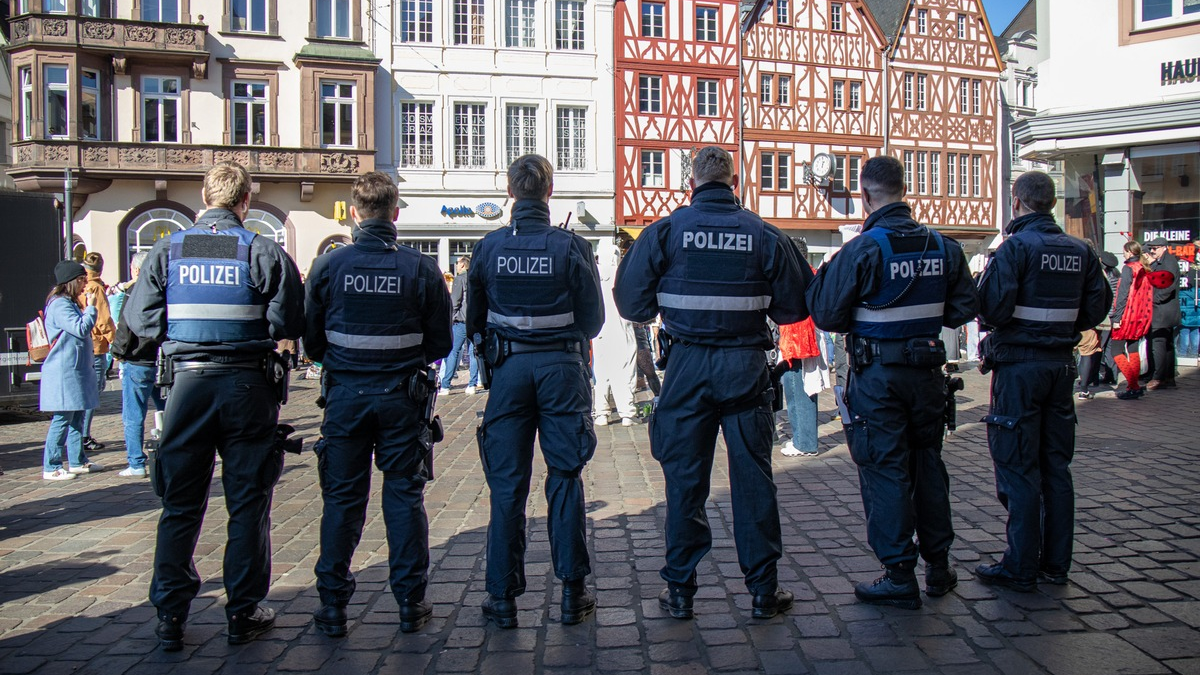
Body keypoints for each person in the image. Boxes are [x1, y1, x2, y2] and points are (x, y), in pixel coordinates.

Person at [614, 146, 811, 620]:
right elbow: (797, 306)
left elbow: (630, 303)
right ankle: (763, 591)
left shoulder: (665, 232)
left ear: (692, 184)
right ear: (734, 181)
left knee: (685, 481)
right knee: (752, 479)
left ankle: (680, 589)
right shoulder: (764, 235)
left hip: (686, 367)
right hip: (745, 368)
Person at [124, 162, 305, 650]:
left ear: (204, 197)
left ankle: (170, 614)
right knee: (248, 504)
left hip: (187, 387)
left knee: (180, 505)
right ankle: (243, 611)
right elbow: (290, 318)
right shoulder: (262, 250)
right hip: (247, 388)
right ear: (245, 201)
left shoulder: (168, 249)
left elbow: (137, 326)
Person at [806, 155, 978, 610]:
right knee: (928, 467)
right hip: (927, 374)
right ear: (905, 191)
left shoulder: (864, 249)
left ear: (865, 195)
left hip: (878, 379)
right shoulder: (945, 246)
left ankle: (899, 574)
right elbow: (963, 309)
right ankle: (939, 567)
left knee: (885, 470)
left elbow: (825, 313)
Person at [304, 172, 453, 636]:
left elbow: (312, 343)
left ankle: (332, 606)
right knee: (404, 497)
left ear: (354, 213)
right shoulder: (420, 267)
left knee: (343, 500)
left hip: (346, 397)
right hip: (402, 399)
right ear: (396, 213)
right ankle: (410, 602)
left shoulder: (328, 266)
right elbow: (441, 342)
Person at [467, 154, 604, 629]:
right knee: (565, 477)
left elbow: (473, 322)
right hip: (561, 370)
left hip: (508, 372)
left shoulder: (488, 247)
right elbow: (594, 321)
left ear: (511, 193)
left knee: (507, 487)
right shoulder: (570, 245)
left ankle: (502, 598)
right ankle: (572, 592)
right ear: (549, 193)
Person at [974, 171, 1111, 591]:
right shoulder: (1081, 250)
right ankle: (1056, 564)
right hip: (1060, 367)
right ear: (1050, 203)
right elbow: (1096, 308)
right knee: (1056, 466)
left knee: (1018, 466)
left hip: (1019, 366)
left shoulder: (1014, 249)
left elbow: (991, 309)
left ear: (1017, 202)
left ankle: (1020, 565)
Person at [40, 260, 103, 480]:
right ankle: (52, 465)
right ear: (71, 282)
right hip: (64, 371)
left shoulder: (70, 302)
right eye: (82, 280)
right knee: (62, 418)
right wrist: (92, 307)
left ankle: (77, 461)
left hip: (74, 370)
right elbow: (80, 328)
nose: (85, 284)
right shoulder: (60, 304)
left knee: (77, 416)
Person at [110, 252, 163, 477]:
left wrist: (119, 353)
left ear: (136, 271)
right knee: (168, 410)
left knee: (133, 415)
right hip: (161, 359)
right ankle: (172, 454)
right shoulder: (164, 290)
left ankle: (136, 462)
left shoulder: (135, 293)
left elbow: (125, 327)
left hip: (138, 360)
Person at [777, 238, 827, 458]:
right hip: (801, 339)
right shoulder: (811, 272)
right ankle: (802, 438)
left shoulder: (797, 276)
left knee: (799, 390)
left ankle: (804, 442)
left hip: (799, 342)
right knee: (798, 389)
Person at [592, 239, 639, 426]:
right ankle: (627, 412)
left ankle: (601, 412)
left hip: (600, 329)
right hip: (621, 328)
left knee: (601, 371)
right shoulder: (623, 273)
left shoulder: (594, 274)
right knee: (624, 370)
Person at [1108, 241, 1153, 400]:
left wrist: (1117, 317)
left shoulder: (1128, 269)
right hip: (1139, 316)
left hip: (1126, 316)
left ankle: (1133, 385)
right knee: (1133, 349)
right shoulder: (1144, 269)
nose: (1124, 254)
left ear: (1129, 252)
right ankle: (1133, 386)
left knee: (1116, 351)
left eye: (1125, 252)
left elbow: (1122, 296)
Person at [80, 251, 115, 454]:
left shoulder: (80, 285)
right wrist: (116, 342)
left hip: (85, 344)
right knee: (93, 392)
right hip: (97, 345)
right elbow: (103, 320)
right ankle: (84, 435)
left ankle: (80, 435)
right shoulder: (96, 288)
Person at [439, 256, 480, 396]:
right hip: (475, 321)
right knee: (474, 353)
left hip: (461, 322)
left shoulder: (460, 279)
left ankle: (445, 385)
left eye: (457, 263)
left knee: (453, 352)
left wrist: (449, 319)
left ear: (463, 265)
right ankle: (472, 384)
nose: (456, 265)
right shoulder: (476, 278)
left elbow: (454, 302)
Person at [1145, 237, 1181, 389]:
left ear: (1164, 248)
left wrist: (1155, 299)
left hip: (1163, 310)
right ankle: (1168, 377)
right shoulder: (1161, 262)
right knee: (1166, 344)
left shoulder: (1168, 262)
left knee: (1159, 343)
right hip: (1165, 309)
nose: (1152, 251)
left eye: (1155, 248)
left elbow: (1168, 286)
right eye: (1151, 248)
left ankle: (1159, 378)